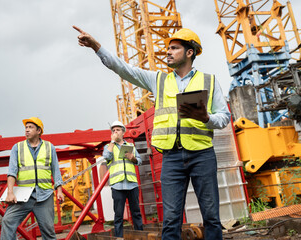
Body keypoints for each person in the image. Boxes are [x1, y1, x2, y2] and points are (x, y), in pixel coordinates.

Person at [73, 26, 231, 240]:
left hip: (202, 155)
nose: (168, 51)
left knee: (211, 216)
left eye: (174, 48)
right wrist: (96, 47)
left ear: (189, 52)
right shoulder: (159, 80)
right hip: (172, 157)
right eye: (168, 48)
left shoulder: (209, 81)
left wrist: (207, 118)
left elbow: (224, 117)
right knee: (171, 218)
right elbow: (123, 69)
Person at [1, 117, 64, 240]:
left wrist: (59, 190)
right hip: (23, 196)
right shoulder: (17, 147)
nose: (27, 130)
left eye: (30, 127)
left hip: (44, 196)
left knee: (49, 231)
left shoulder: (49, 147)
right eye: (26, 127)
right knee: (7, 220)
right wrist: (10, 192)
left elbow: (55, 170)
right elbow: (12, 172)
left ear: (39, 131)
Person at [102, 120, 143, 238]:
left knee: (136, 213)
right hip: (117, 185)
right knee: (118, 215)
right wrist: (111, 142)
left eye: (118, 130)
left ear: (123, 132)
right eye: (113, 130)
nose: (115, 132)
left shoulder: (131, 146)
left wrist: (133, 158)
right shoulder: (108, 147)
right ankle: (119, 237)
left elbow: (139, 161)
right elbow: (106, 157)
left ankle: (140, 235)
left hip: (132, 184)